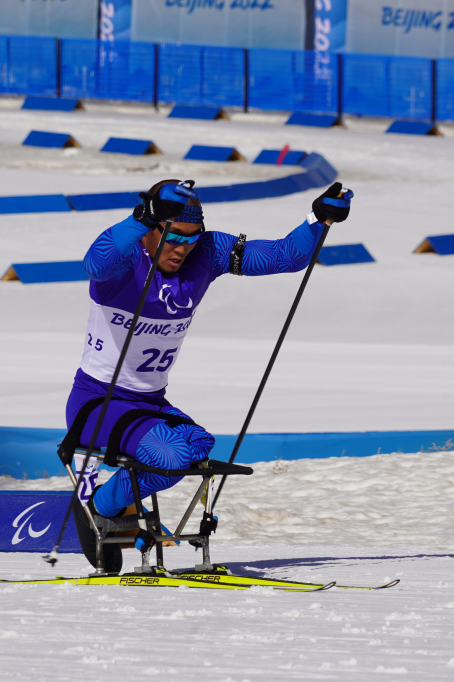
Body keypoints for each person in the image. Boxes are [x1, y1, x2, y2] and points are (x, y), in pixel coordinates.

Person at [63, 179, 352, 571]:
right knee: (171, 455)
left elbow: (285, 256)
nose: (183, 249)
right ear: (151, 228)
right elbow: (93, 262)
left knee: (199, 445)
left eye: (191, 239)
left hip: (150, 403)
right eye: (174, 237)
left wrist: (318, 220)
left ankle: (111, 505)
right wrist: (142, 217)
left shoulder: (209, 252)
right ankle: (100, 505)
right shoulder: (125, 261)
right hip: (98, 401)